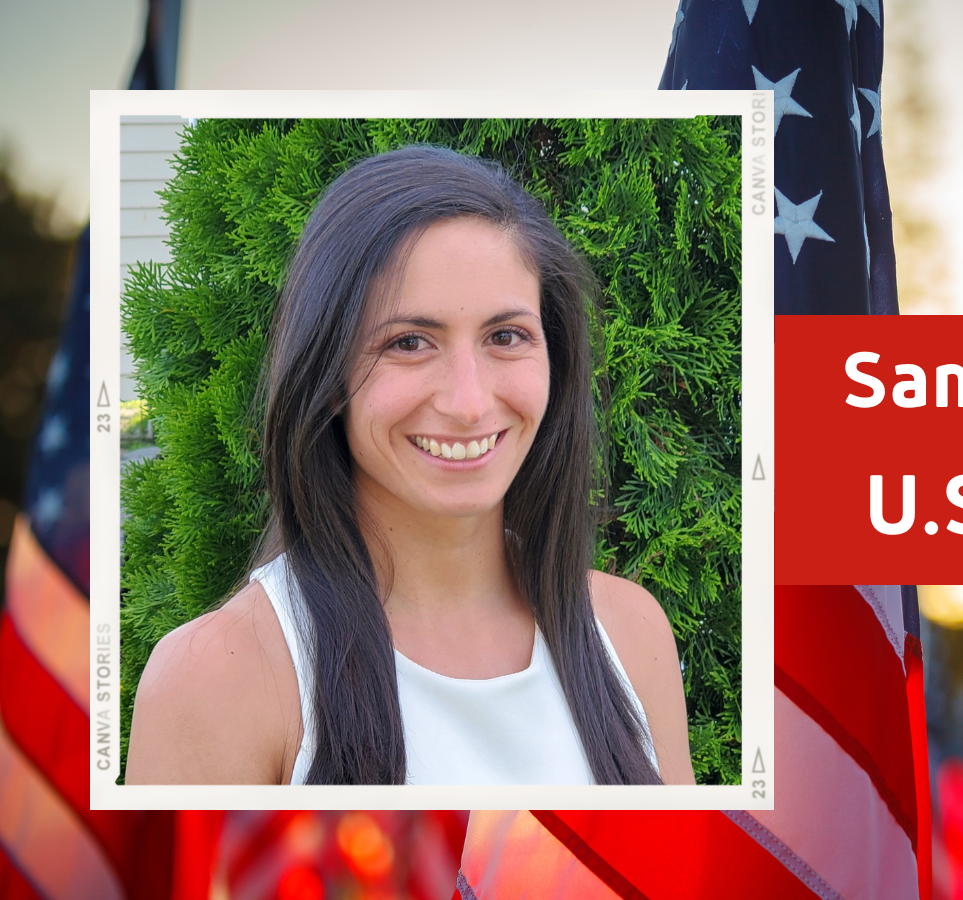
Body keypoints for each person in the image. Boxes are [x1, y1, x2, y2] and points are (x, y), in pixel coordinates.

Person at [126, 146, 693, 786]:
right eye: (408, 343)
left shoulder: (629, 631)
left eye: (505, 336)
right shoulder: (220, 676)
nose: (469, 402)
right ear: (328, 373)